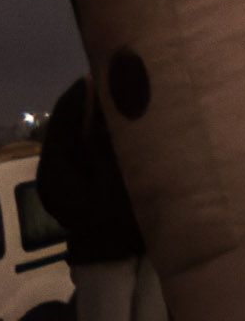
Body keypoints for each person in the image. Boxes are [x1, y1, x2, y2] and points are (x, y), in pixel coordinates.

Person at [34, 78, 161, 320]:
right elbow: (54, 185)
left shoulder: (82, 98)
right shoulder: (84, 99)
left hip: (122, 251)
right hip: (114, 250)